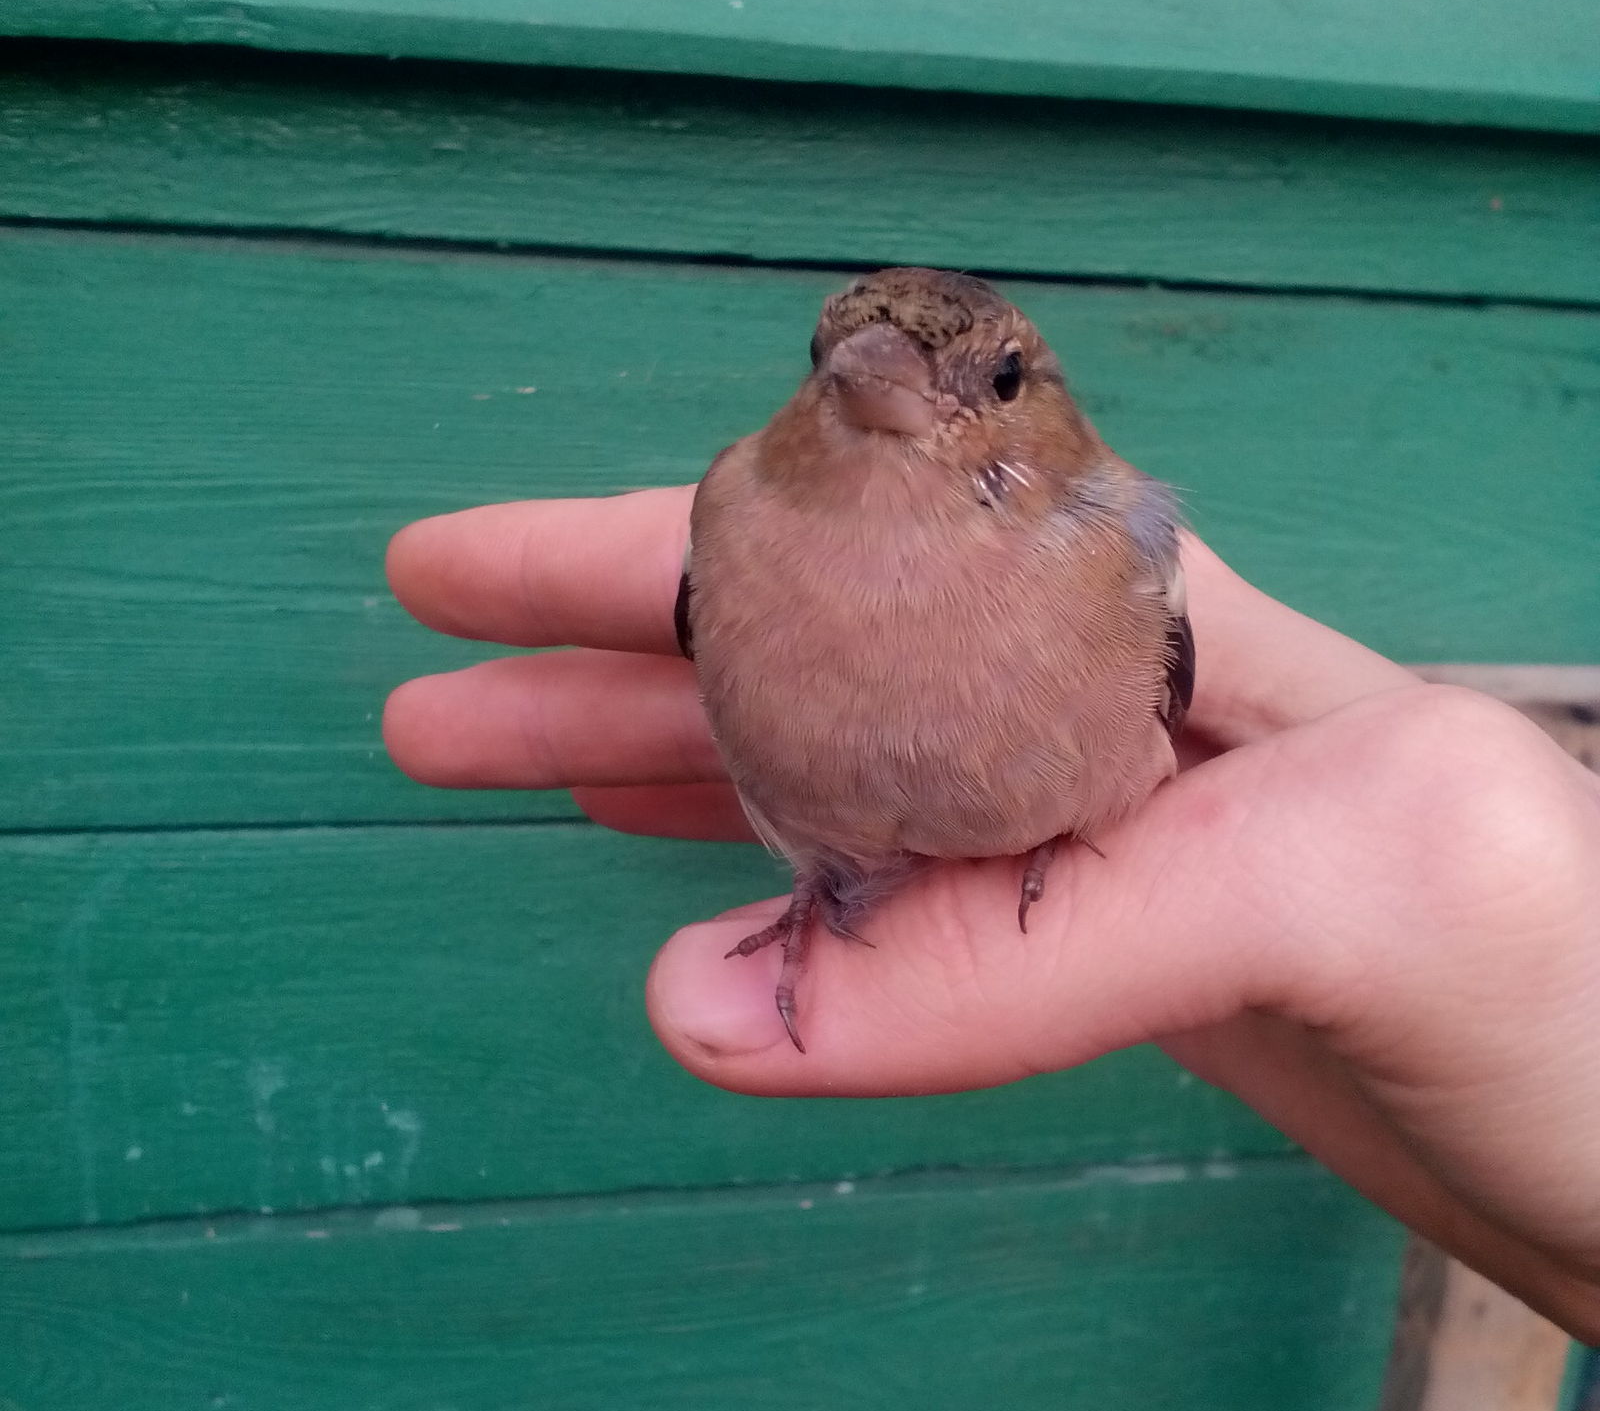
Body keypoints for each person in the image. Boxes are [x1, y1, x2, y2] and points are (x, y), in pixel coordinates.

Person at [384, 487, 1600, 1343]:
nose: (886, 388)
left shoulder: (1115, 546)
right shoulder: (740, 527)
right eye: (835, 363)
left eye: (999, 378)